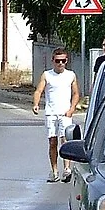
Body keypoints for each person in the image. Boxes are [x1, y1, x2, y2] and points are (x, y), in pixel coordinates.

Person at [33, 48, 81, 182]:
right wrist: (36, 104)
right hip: (51, 113)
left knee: (65, 140)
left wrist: (72, 109)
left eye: (63, 61)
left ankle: (67, 169)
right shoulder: (47, 75)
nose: (60, 63)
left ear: (66, 61)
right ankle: (54, 171)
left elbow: (76, 93)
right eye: (58, 61)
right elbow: (39, 91)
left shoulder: (71, 75)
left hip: (65, 113)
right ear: (53, 61)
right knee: (53, 141)